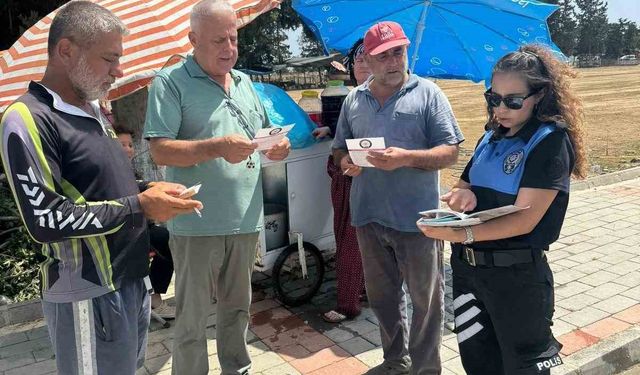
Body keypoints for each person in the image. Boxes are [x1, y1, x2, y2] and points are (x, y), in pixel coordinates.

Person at [0, 2, 202, 374]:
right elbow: (45, 220)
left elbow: (100, 184)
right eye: (109, 59)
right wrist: (139, 205)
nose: (118, 71)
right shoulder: (27, 119)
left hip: (131, 282)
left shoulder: (93, 112)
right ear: (66, 50)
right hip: (87, 294)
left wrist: (147, 187)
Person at [417, 44, 586, 375]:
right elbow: (464, 186)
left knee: (524, 368)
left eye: (513, 100)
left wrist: (461, 232)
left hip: (517, 279)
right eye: (493, 98)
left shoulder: (550, 141)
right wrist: (460, 199)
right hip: (467, 275)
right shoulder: (490, 137)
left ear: (539, 95)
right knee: (478, 363)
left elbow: (526, 218)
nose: (500, 108)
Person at [142, 1, 290, 374]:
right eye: (218, 41)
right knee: (191, 318)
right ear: (193, 39)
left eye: (233, 38)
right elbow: (160, 148)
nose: (229, 48)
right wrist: (215, 147)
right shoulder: (170, 82)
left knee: (238, 309)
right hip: (196, 222)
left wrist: (278, 146)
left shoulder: (244, 83)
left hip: (244, 219)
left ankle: (236, 368)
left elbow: (264, 135)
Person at [332, 21, 464, 375]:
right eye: (383, 55)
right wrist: (345, 161)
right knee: (383, 300)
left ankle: (426, 370)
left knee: (426, 302)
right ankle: (395, 361)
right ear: (367, 59)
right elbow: (338, 150)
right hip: (369, 217)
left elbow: (450, 152)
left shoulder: (429, 94)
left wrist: (406, 157)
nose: (393, 61)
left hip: (417, 220)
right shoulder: (354, 100)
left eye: (398, 52)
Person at [313, 38, 371, 323]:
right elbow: (343, 135)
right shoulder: (354, 97)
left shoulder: (386, 98)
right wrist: (328, 130)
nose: (360, 61)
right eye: (356, 57)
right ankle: (360, 291)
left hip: (372, 181)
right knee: (351, 241)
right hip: (346, 176)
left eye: (367, 55)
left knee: (354, 242)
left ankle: (349, 303)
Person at [114, 126, 176, 319]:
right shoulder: (110, 171)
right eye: (121, 145)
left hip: (141, 225)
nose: (127, 149)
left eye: (130, 145)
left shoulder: (129, 169)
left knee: (169, 239)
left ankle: (151, 297)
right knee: (167, 242)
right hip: (123, 230)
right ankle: (153, 300)